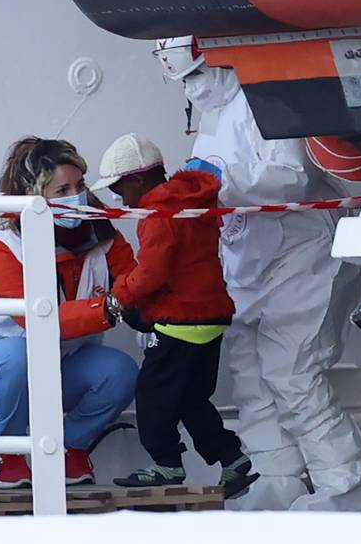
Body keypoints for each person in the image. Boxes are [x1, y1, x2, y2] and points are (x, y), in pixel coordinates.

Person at [153, 36, 361, 511]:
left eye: (197, 75)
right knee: (251, 377)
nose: (193, 88)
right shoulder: (214, 115)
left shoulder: (264, 98)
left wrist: (216, 181)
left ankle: (347, 485)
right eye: (185, 80)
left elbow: (291, 176)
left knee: (293, 374)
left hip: (304, 257)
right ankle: (276, 476)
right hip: (248, 262)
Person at [0, 137, 139, 489]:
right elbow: (36, 320)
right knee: (21, 352)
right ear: (34, 195)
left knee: (121, 371)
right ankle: (8, 453)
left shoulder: (103, 236)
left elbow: (133, 282)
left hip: (59, 365)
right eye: (62, 188)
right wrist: (108, 307)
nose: (76, 196)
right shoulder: (2, 247)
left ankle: (71, 447)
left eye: (79, 185)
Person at [89, 133, 260, 498]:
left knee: (152, 397)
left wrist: (119, 299)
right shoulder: (190, 201)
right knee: (191, 400)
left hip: (179, 323)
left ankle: (166, 464)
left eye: (118, 188)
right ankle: (233, 461)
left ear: (137, 179)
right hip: (211, 317)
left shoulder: (157, 212)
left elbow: (152, 273)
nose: (118, 198)